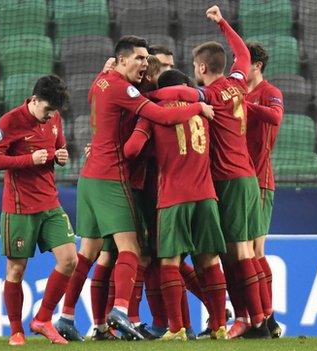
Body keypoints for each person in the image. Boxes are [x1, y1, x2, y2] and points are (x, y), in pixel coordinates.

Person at [71, 35, 214, 340]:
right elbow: (139, 137)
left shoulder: (122, 85)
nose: (156, 67)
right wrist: (198, 103)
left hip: (136, 181)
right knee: (135, 255)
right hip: (132, 182)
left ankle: (156, 322)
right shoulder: (141, 93)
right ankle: (127, 320)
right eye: (153, 62)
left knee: (153, 256)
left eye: (164, 64)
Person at [149, 5, 270, 339]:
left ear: (201, 68)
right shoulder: (237, 83)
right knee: (245, 251)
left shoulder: (211, 95)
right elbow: (243, 53)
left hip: (228, 179)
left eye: (195, 68)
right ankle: (260, 319)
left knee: (235, 255)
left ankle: (249, 319)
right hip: (247, 175)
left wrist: (145, 95)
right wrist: (222, 23)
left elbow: (178, 93)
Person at [125, 69, 229, 340]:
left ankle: (176, 328)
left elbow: (133, 149)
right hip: (206, 195)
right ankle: (219, 325)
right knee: (209, 260)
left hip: (173, 197)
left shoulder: (153, 112)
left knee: (169, 261)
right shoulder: (202, 110)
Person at [0, 75, 77, 346]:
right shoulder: (10, 121)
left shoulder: (54, 118)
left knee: (70, 259)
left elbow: (59, 148)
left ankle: (43, 319)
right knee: (16, 270)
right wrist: (29, 159)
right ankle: (16, 331)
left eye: (54, 111)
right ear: (34, 100)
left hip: (50, 202)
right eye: (47, 109)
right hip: (19, 207)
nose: (50, 116)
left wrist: (62, 156)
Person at [244, 41, 284, 338]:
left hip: (260, 181)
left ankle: (267, 319)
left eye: (242, 60)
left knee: (256, 250)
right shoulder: (239, 93)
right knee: (244, 252)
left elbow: (275, 117)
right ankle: (261, 318)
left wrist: (246, 106)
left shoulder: (270, 93)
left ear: (256, 65)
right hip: (239, 181)